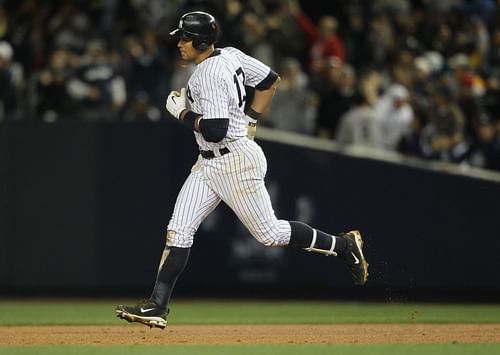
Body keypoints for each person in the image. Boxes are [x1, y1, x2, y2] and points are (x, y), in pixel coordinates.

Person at [115, 11, 368, 329]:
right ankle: (156, 306)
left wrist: (182, 113)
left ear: (202, 41)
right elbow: (269, 81)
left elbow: (217, 129)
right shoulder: (231, 55)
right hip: (210, 162)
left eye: (185, 37)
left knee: (271, 234)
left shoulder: (205, 75)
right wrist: (250, 120)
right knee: (179, 230)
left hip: (233, 161)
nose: (179, 43)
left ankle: (344, 245)